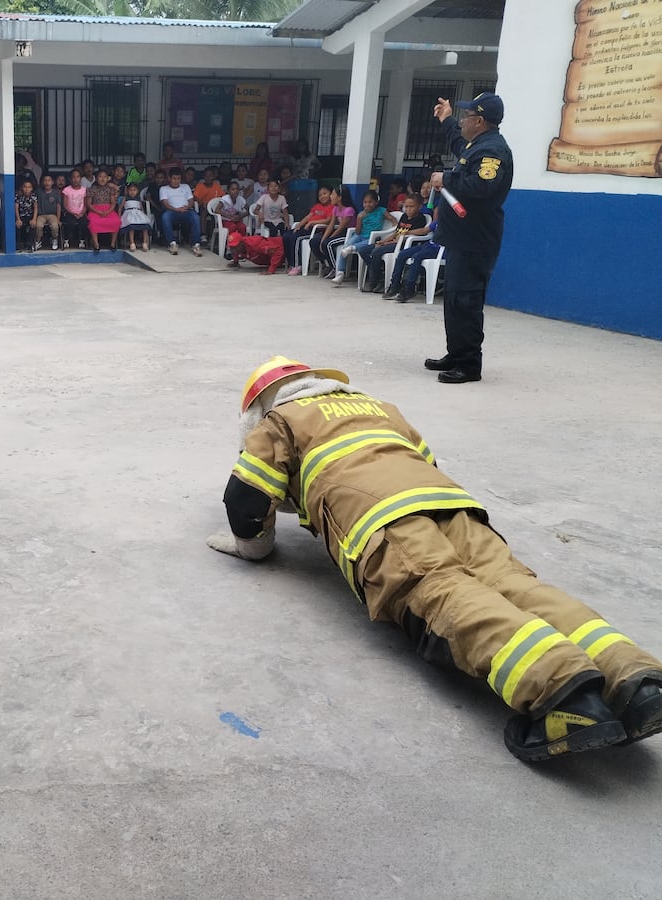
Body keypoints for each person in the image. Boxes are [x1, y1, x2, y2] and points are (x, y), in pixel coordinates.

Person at [207, 356, 662, 761]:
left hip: (380, 518)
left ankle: (563, 697)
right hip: (450, 503)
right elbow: (425, 459)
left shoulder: (279, 420)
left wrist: (250, 547)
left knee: (442, 592)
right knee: (513, 583)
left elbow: (246, 501)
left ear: (258, 406)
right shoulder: (380, 407)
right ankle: (637, 680)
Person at [426, 92, 514, 385]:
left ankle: (469, 365)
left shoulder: (493, 152)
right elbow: (459, 143)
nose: (462, 121)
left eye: (465, 117)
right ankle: (456, 353)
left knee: (466, 301)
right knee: (453, 300)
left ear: (478, 121)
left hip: (475, 241)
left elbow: (480, 187)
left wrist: (446, 179)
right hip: (461, 240)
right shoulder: (477, 146)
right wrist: (447, 119)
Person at [358, 193, 429, 292]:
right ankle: (380, 274)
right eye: (406, 206)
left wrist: (389, 242)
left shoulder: (420, 218)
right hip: (392, 242)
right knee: (363, 250)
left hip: (402, 246)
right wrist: (383, 241)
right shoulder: (404, 216)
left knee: (376, 252)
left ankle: (374, 282)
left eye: (412, 206)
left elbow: (415, 233)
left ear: (419, 206)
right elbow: (397, 232)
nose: (408, 209)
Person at [331, 190, 392, 285]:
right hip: (360, 235)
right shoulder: (362, 214)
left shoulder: (381, 210)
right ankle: (340, 272)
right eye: (365, 202)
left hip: (372, 237)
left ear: (376, 202)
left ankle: (353, 248)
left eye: (370, 202)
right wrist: (359, 218)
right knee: (345, 246)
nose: (367, 204)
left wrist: (395, 228)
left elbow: (393, 219)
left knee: (361, 245)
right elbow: (358, 231)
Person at [282, 185, 334, 275]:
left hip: (317, 230)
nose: (322, 196)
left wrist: (311, 223)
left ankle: (298, 265)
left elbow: (328, 221)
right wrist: (299, 225)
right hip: (307, 227)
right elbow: (308, 217)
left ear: (331, 194)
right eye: (320, 195)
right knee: (286, 236)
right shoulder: (317, 206)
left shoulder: (332, 207)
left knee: (296, 238)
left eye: (325, 193)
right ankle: (291, 263)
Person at [309, 186, 354, 277]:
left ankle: (335, 268)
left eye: (333, 194)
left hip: (348, 234)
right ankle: (326, 263)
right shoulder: (336, 208)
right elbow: (331, 225)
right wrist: (323, 239)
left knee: (328, 244)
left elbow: (341, 228)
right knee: (314, 241)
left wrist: (329, 238)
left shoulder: (349, 210)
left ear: (340, 197)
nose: (331, 196)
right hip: (338, 231)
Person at [159, 168, 201, 257]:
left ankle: (196, 244)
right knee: (165, 217)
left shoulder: (186, 187)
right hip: (172, 212)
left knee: (196, 217)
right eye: (174, 178)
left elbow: (191, 200)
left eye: (178, 179)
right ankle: (172, 243)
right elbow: (165, 203)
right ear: (169, 178)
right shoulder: (164, 189)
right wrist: (176, 209)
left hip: (186, 210)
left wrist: (187, 207)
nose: (176, 181)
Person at [84, 168, 121, 253]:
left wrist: (108, 211)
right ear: (96, 178)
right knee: (93, 222)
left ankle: (113, 244)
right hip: (95, 210)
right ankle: (96, 245)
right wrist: (98, 212)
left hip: (108, 210)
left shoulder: (110, 189)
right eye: (100, 177)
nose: (102, 179)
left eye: (105, 177)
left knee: (116, 221)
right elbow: (89, 204)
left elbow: (113, 203)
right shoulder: (91, 189)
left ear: (108, 178)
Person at [118, 181, 151, 252]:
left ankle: (144, 242)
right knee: (131, 224)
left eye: (134, 190)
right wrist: (119, 216)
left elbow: (141, 208)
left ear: (137, 191)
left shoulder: (138, 198)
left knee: (145, 224)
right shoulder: (125, 198)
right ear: (127, 191)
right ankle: (132, 243)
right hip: (129, 213)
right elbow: (121, 207)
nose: (132, 192)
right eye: (130, 190)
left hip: (138, 213)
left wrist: (143, 215)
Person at [60, 169, 87, 249]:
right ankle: (66, 240)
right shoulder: (66, 190)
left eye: (78, 177)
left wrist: (82, 213)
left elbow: (85, 205)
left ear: (81, 178)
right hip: (70, 213)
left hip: (81, 213)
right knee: (70, 223)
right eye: (73, 177)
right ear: (70, 179)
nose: (76, 179)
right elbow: (65, 205)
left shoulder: (84, 190)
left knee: (84, 223)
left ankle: (82, 241)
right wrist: (72, 213)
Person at [33, 174, 62, 251]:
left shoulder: (56, 193)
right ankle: (38, 241)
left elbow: (58, 206)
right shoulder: (38, 192)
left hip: (52, 215)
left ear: (52, 182)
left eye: (49, 180)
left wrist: (58, 218)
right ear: (42, 182)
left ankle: (54, 240)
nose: (47, 182)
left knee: (55, 226)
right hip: (41, 215)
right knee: (38, 226)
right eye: (45, 180)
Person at [14, 178, 39, 252]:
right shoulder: (18, 196)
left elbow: (35, 208)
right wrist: (18, 219)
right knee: (17, 226)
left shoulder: (33, 196)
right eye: (25, 187)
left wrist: (34, 219)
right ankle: (18, 245)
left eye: (29, 187)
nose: (27, 189)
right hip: (21, 216)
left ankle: (29, 245)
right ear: (22, 187)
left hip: (30, 216)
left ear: (32, 188)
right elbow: (16, 208)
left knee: (33, 226)